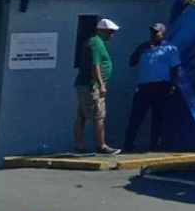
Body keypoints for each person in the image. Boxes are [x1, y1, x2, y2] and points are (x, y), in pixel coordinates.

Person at [122, 22, 180, 152]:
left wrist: (172, 86)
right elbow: (132, 62)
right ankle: (128, 144)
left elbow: (175, 68)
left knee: (157, 116)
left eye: (156, 33)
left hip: (160, 86)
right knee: (136, 116)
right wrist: (139, 49)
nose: (153, 35)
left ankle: (154, 144)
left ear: (162, 34)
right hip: (143, 87)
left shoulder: (170, 49)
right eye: (152, 32)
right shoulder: (144, 48)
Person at [73, 18, 120, 155]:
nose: (111, 35)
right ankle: (101, 146)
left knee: (82, 115)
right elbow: (95, 65)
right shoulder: (96, 43)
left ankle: (79, 147)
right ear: (101, 30)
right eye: (110, 32)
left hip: (85, 84)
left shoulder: (95, 42)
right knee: (98, 115)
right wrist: (101, 85)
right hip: (91, 86)